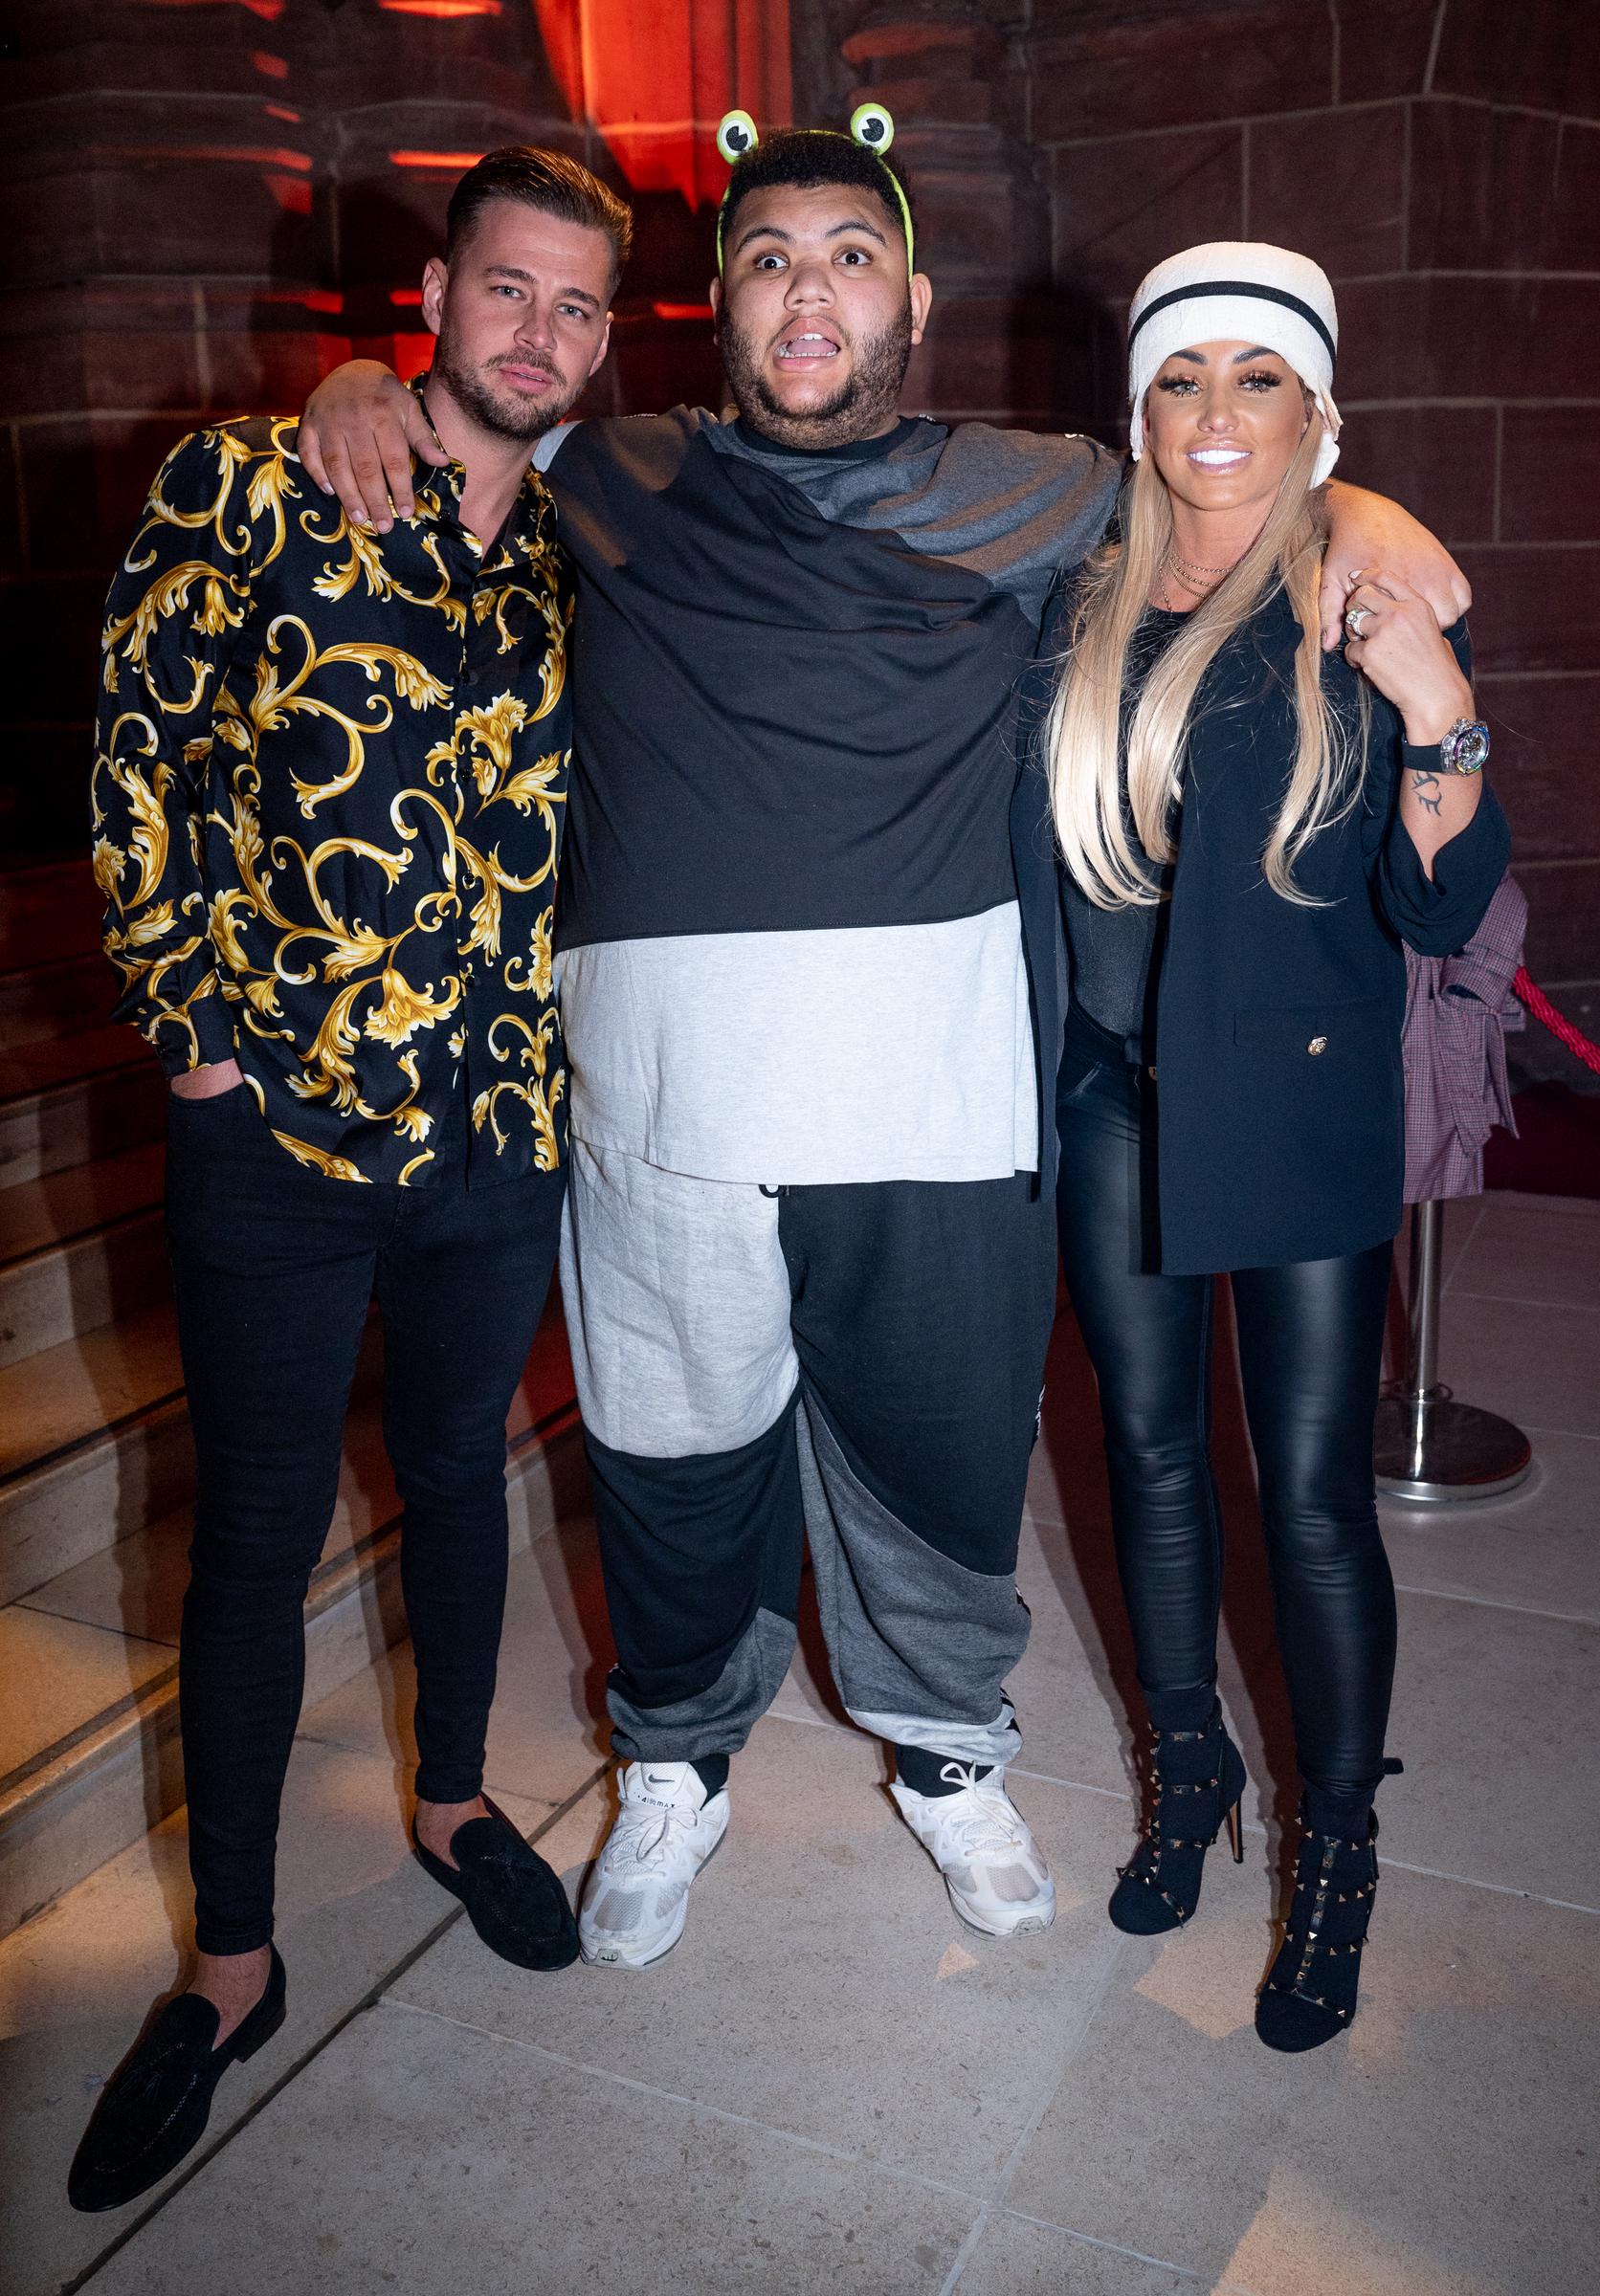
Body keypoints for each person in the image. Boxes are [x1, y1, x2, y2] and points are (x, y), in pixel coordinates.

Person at [298, 121, 1474, 1977]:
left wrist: (1380, 522)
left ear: (911, 302)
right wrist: (366, 375)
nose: (808, 293)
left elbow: (1244, 493)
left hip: (929, 1095)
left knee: (931, 1464)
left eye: (849, 258)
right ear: (718, 304)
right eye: (770, 261)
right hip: (667, 1103)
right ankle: (673, 1761)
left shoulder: (1041, 487)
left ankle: (945, 1755)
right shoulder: (615, 471)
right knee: (674, 1454)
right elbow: (452, 420)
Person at [69, 147, 630, 2214]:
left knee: (466, 1474)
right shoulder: (253, 482)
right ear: (434, 287)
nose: (537, 338)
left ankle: (455, 1802)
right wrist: (192, 1027)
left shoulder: (589, 538)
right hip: (281, 1135)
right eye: (507, 293)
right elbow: (137, 745)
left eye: (575, 310)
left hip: (498, 1126)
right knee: (255, 1537)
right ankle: (228, 1966)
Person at [1037, 242, 1509, 2050]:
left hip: (1299, 1104)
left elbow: (1440, 893)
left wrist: (1435, 703)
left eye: (1260, 379)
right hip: (1107, 1095)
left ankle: (1340, 1856)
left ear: (1320, 413)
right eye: (1183, 377)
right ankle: (1185, 1773)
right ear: (1139, 407)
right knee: (1151, 1458)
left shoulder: (1351, 583)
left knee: (1309, 1503)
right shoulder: (1076, 582)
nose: (1216, 415)